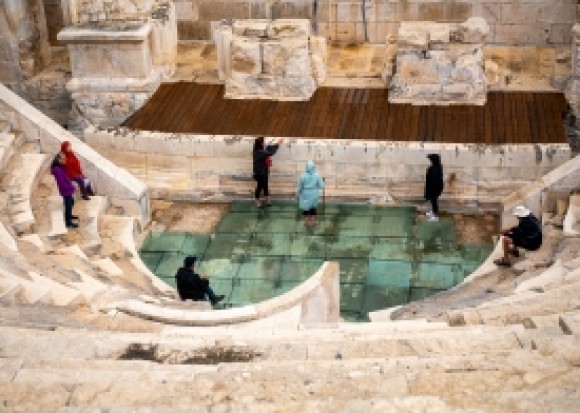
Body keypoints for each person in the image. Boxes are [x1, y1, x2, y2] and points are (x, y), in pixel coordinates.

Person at [253, 136, 283, 208]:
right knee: (260, 186)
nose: (264, 143)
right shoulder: (259, 152)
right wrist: (278, 144)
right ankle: (257, 200)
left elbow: (268, 148)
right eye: (263, 142)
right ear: (260, 144)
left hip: (264, 171)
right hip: (259, 172)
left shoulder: (259, 149)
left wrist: (274, 143)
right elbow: (270, 152)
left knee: (265, 185)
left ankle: (267, 199)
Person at [50, 153, 78, 229]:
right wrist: (71, 188)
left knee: (71, 202)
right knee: (68, 206)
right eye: (63, 159)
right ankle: (68, 223)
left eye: (65, 158)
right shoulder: (57, 170)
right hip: (65, 190)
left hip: (68, 189)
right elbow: (62, 183)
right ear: (58, 160)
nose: (65, 160)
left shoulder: (61, 167)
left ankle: (69, 216)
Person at [297, 160, 325, 227]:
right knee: (313, 209)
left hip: (305, 194)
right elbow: (322, 186)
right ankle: (312, 223)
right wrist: (322, 181)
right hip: (314, 194)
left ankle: (306, 223)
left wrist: (297, 194)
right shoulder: (317, 175)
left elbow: (299, 187)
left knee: (306, 210)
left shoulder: (302, 176)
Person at [424, 153, 444, 221]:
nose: (430, 161)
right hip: (432, 188)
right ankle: (433, 212)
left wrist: (431, 190)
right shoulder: (436, 167)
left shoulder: (436, 169)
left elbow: (435, 181)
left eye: (431, 160)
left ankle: (435, 216)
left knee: (434, 201)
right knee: (432, 201)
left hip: (434, 189)